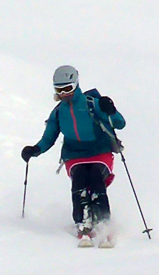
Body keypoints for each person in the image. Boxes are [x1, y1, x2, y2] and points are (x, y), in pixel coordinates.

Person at [21, 65, 125, 245]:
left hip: (100, 151)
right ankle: (83, 224)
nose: (64, 94)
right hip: (74, 155)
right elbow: (49, 138)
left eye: (67, 89)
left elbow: (119, 123)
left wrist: (110, 109)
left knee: (95, 177)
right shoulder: (58, 112)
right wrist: (35, 150)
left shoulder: (92, 103)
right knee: (79, 180)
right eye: (59, 90)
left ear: (76, 85)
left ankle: (103, 224)